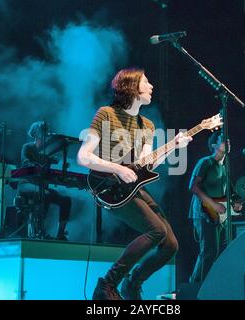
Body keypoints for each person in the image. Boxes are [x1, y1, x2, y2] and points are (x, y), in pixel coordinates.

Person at [77, 67, 192, 300]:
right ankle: (107, 285)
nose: (151, 86)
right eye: (146, 82)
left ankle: (133, 283)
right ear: (132, 87)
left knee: (170, 245)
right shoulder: (106, 114)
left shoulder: (147, 125)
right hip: (108, 186)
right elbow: (83, 156)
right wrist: (117, 168)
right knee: (157, 230)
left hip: (132, 187)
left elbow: (145, 165)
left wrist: (174, 146)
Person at [188, 131, 242, 284]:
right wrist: (213, 204)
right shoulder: (205, 162)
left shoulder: (225, 167)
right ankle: (197, 285)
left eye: (229, 140)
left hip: (220, 216)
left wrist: (236, 204)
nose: (228, 142)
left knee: (219, 251)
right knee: (209, 251)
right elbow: (193, 187)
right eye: (224, 140)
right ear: (214, 146)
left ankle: (211, 284)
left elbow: (230, 193)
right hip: (203, 213)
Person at [18, 121, 72, 240]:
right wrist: (39, 166)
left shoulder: (47, 152)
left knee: (66, 200)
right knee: (45, 194)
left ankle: (61, 234)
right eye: (44, 131)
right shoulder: (27, 147)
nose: (46, 134)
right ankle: (40, 231)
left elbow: (52, 167)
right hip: (26, 184)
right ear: (36, 133)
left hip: (42, 186)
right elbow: (25, 163)